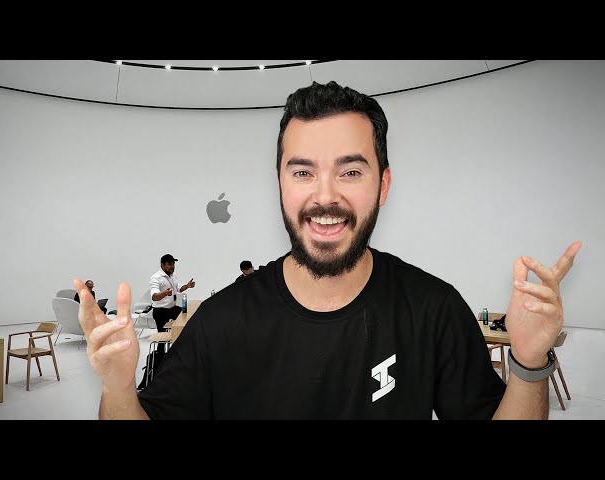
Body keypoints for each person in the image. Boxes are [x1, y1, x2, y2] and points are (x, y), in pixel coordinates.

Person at [75, 81, 582, 420]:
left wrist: (528, 360)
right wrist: (119, 391)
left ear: (383, 185)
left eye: (350, 170)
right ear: (280, 183)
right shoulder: (221, 321)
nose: (325, 196)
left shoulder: (433, 309)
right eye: (302, 171)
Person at [146, 254, 195, 368]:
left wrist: (187, 286)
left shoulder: (173, 275)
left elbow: (178, 287)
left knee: (186, 313)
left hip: (172, 308)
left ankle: (183, 346)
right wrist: (165, 293)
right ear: (162, 265)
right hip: (160, 311)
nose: (172, 266)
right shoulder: (156, 278)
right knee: (162, 338)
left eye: (173, 264)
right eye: (169, 264)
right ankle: (159, 361)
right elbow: (154, 296)